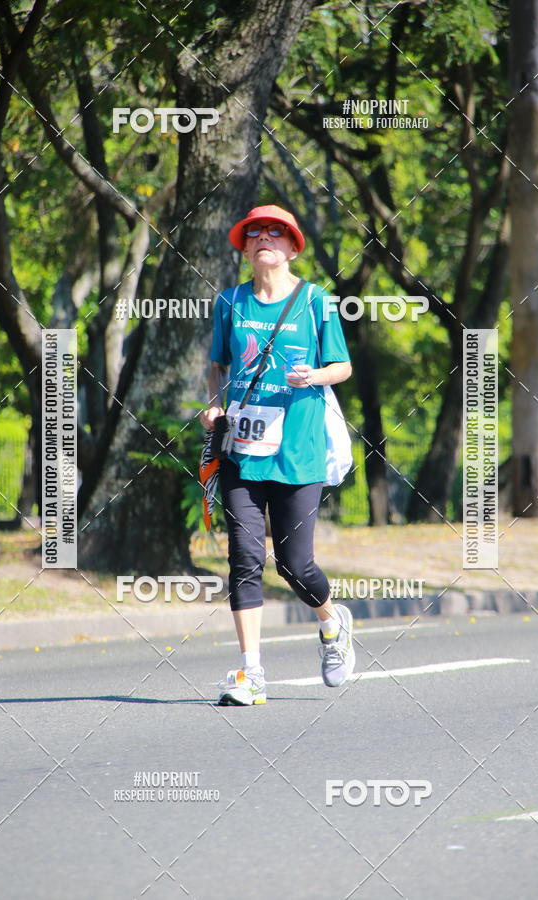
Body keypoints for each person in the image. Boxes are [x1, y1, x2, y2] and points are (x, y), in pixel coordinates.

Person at [200, 204, 355, 706]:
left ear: (292, 247)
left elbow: (343, 366)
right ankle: (251, 673)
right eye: (254, 234)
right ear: (246, 249)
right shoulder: (229, 302)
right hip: (242, 452)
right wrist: (213, 405)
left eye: (275, 232)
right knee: (244, 558)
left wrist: (315, 375)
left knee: (294, 564)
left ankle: (332, 623)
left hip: (298, 451)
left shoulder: (317, 302)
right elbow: (217, 367)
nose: (263, 238)